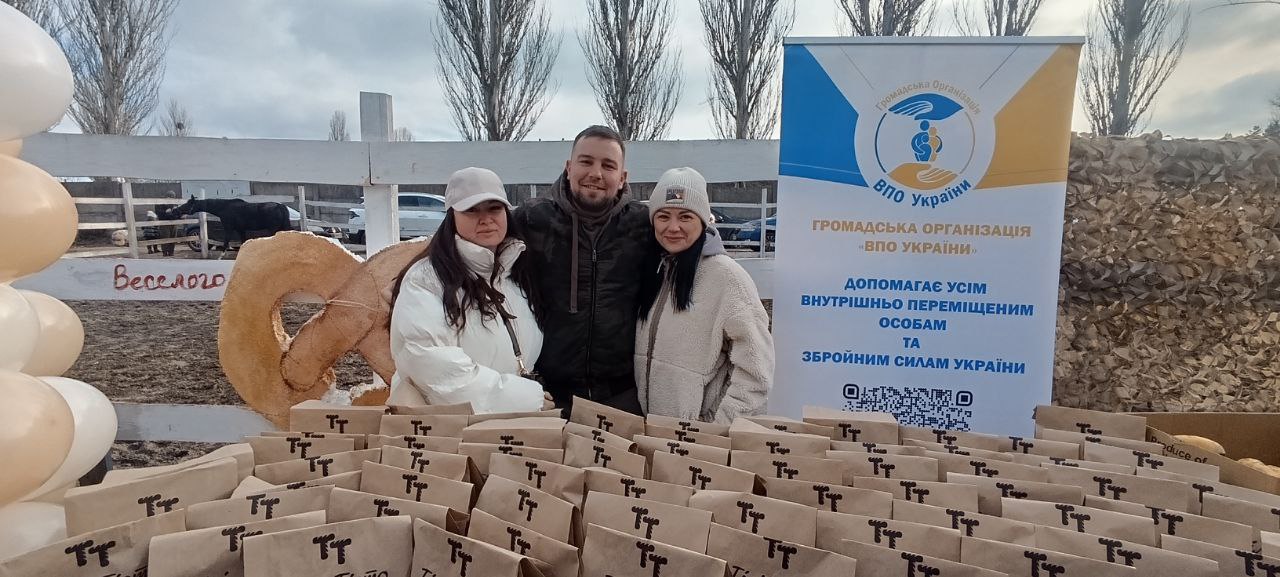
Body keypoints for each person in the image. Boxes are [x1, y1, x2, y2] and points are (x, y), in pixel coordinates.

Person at [388, 167, 553, 413]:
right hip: (451, 428)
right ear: (452, 217)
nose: (485, 219)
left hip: (509, 422)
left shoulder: (515, 274)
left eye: (494, 208)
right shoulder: (426, 280)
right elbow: (432, 368)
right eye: (472, 210)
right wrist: (524, 398)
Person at [513, 125, 652, 414]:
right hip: (548, 392)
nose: (596, 173)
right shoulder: (532, 219)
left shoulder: (643, 225)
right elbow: (470, 239)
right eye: (586, 161)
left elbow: (688, 237)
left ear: (622, 177)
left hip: (624, 393)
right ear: (569, 168)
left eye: (608, 166)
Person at [634, 167, 773, 424]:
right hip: (651, 431)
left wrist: (717, 427)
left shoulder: (728, 277)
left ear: (703, 220)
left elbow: (757, 371)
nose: (673, 227)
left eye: (685, 216)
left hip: (697, 437)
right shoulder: (653, 269)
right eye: (663, 216)